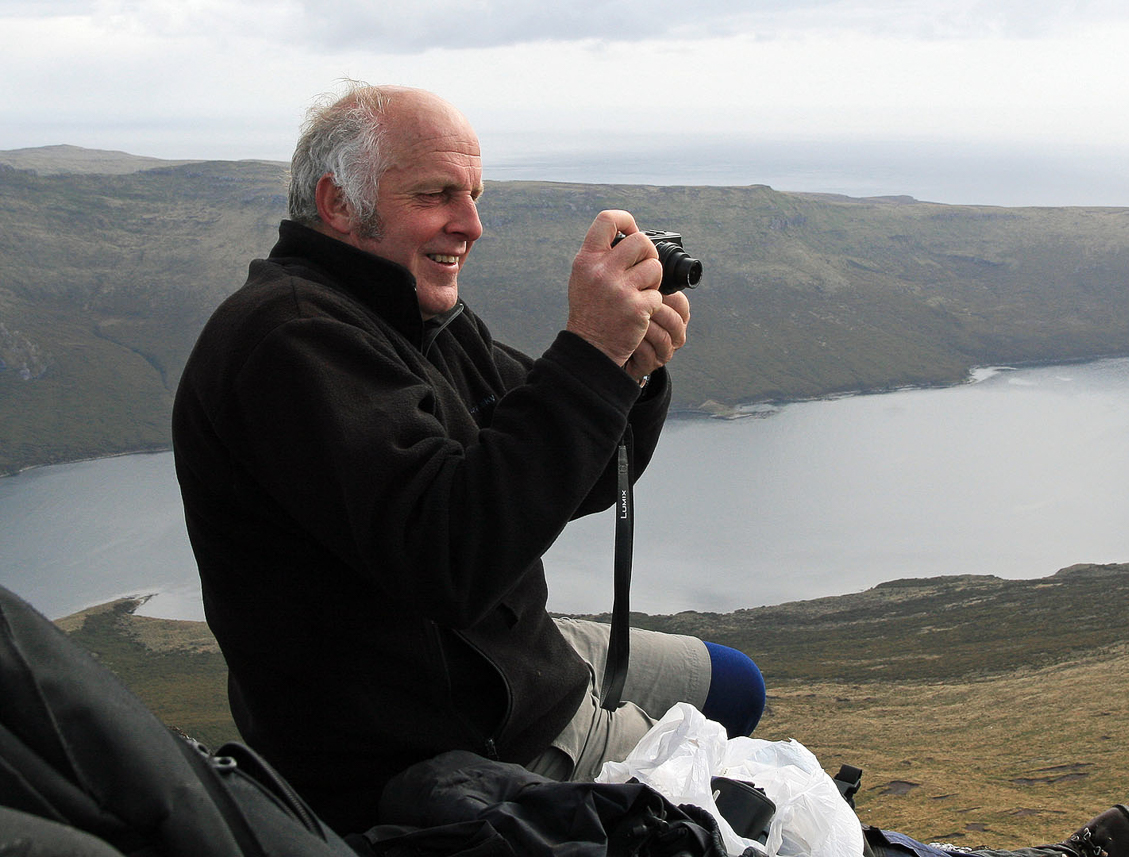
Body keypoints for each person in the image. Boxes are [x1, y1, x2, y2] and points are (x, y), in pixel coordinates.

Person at [171, 81, 765, 835]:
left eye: (474, 194)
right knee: (731, 813)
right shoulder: (291, 341)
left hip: (496, 660)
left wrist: (626, 374)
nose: (472, 224)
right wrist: (588, 355)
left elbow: (559, 471)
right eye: (437, 193)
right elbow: (453, 556)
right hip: (441, 736)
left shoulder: (418, 315)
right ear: (337, 202)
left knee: (736, 684)